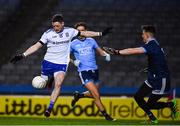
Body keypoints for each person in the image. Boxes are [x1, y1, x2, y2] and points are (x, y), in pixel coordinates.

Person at [10, 14, 112, 118]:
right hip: (48, 62)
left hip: (62, 63)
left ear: (62, 24)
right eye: (54, 26)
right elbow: (37, 46)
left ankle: (49, 108)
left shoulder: (70, 31)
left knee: (58, 84)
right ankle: (49, 79)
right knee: (42, 85)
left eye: (57, 26)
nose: (55, 28)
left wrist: (101, 33)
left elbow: (85, 33)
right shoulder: (47, 34)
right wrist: (23, 55)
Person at [103, 25, 179, 124]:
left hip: (161, 79)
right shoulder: (155, 44)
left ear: (147, 34)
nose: (142, 36)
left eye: (142, 34)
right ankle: (152, 117)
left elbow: (133, 50)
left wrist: (117, 52)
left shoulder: (152, 45)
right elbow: (159, 59)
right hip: (153, 76)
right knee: (138, 97)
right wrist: (151, 68)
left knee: (150, 104)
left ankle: (170, 104)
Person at [70, 22, 115, 121]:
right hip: (84, 71)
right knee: (96, 96)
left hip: (95, 70)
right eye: (79, 30)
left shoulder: (91, 41)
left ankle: (79, 95)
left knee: (93, 94)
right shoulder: (73, 43)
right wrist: (74, 62)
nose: (81, 32)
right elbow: (65, 56)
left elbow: (100, 51)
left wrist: (106, 55)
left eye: (83, 30)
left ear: (86, 31)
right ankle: (107, 116)